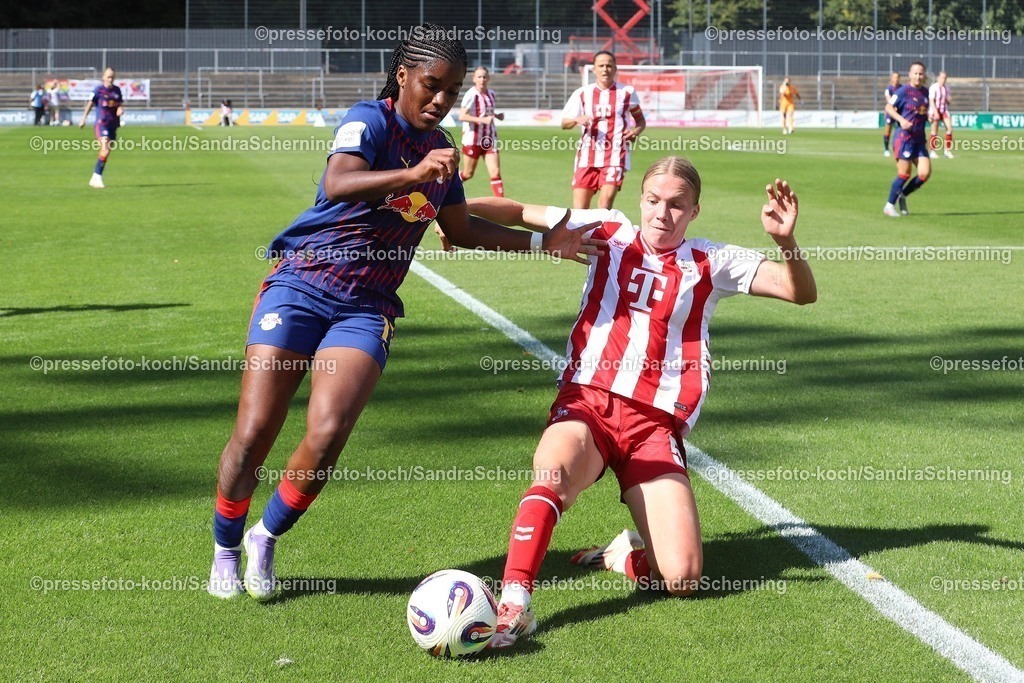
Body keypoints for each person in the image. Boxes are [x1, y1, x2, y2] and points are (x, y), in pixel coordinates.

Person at [208, 25, 600, 602]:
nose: (442, 100)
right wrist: (414, 174)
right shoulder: (370, 120)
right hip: (301, 284)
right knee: (252, 434)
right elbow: (337, 182)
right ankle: (224, 547)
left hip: (366, 308)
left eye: (453, 90)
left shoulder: (442, 149)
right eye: (432, 85)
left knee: (327, 433)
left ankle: (265, 537)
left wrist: (544, 243)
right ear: (403, 76)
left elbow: (462, 231)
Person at [468, 156, 817, 648]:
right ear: (640, 200)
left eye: (676, 205)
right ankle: (514, 606)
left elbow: (797, 292)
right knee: (553, 472)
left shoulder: (710, 262)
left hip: (654, 428)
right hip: (589, 402)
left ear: (694, 211)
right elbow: (520, 210)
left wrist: (786, 244)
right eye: (653, 201)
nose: (662, 214)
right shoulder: (607, 231)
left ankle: (620, 555)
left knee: (683, 578)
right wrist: (451, 211)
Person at [561, 51, 646, 210]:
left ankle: (600, 235)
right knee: (579, 211)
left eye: (609, 65)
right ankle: (580, 236)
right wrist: (575, 119)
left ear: (615, 68)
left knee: (604, 206)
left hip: (615, 156)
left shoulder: (626, 93)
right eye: (601, 66)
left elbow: (640, 120)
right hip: (586, 157)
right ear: (594, 69)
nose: (605, 69)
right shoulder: (582, 93)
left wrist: (635, 132)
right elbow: (564, 123)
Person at [883, 62, 931, 217]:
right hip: (904, 139)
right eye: (915, 73)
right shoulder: (903, 91)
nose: (918, 76)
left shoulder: (926, 92)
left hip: (919, 140)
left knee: (924, 173)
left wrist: (930, 115)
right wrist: (901, 120)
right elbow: (889, 108)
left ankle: (902, 195)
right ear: (910, 75)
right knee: (904, 174)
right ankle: (889, 205)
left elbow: (925, 111)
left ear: (924, 75)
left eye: (921, 73)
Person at [459, 66, 505, 197]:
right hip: (472, 139)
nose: (482, 79)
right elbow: (462, 116)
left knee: (495, 172)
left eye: (484, 76)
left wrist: (497, 116)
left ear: (488, 78)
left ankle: (501, 205)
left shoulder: (491, 94)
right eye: (479, 77)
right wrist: (482, 120)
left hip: (489, 139)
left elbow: (487, 112)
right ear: (474, 79)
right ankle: (448, 185)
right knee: (468, 174)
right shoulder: (470, 95)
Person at [78, 67, 123, 189]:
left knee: (106, 152)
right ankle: (97, 176)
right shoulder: (98, 90)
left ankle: (95, 177)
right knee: (105, 149)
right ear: (103, 77)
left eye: (112, 77)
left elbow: (119, 104)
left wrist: (120, 109)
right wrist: (83, 119)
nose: (110, 79)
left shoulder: (117, 90)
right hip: (101, 123)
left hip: (113, 124)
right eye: (108, 77)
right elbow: (89, 104)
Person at [928, 71, 954, 159]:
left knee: (949, 128)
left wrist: (949, 100)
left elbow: (948, 100)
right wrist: (935, 112)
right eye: (942, 77)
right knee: (934, 131)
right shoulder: (933, 87)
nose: (944, 80)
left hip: (944, 111)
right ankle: (932, 151)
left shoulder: (947, 88)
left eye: (945, 78)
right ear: (938, 78)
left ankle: (947, 151)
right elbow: (931, 101)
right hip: (934, 110)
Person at [882, 71, 901, 157]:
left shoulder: (901, 88)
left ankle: (899, 147)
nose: (896, 79)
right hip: (891, 112)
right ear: (892, 78)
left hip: (899, 113)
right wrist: (893, 108)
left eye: (897, 77)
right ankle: (886, 149)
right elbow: (889, 100)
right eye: (894, 77)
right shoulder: (888, 89)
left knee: (901, 131)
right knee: (888, 130)